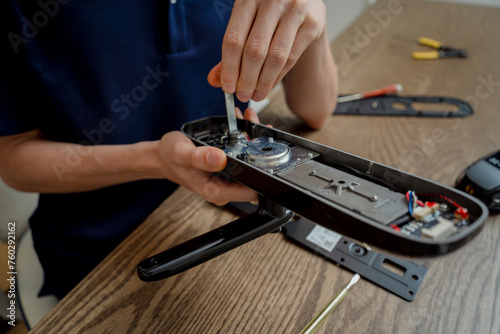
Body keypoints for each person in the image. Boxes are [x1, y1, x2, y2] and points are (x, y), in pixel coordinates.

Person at [0, 0, 337, 299]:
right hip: (103, 254)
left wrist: (314, 18)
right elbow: (13, 159)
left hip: (231, 217)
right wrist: (153, 160)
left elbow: (317, 109)